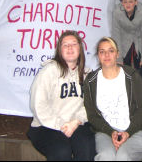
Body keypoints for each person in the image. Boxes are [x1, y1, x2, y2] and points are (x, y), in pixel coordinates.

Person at [27, 30, 96, 161]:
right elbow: (38, 105)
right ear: (59, 50)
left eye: (74, 44)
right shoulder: (49, 71)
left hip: (76, 124)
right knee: (61, 152)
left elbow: (91, 104)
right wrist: (61, 125)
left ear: (80, 49)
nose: (70, 47)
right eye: (65, 44)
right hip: (47, 125)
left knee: (87, 147)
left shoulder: (87, 75)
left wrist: (76, 121)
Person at [83, 37, 142, 161]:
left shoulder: (131, 76)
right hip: (105, 132)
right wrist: (111, 132)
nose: (106, 55)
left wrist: (128, 132)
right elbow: (92, 115)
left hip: (137, 131)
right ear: (98, 55)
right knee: (106, 156)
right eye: (102, 51)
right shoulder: (90, 80)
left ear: (117, 54)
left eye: (111, 51)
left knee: (122, 155)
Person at [111, 0, 142, 116]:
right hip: (124, 44)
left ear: (136, 2)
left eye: (131, 1)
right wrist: (118, 57)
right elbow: (116, 34)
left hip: (140, 43)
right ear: (122, 3)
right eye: (125, 2)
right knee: (121, 74)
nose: (128, 4)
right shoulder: (116, 13)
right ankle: (124, 106)